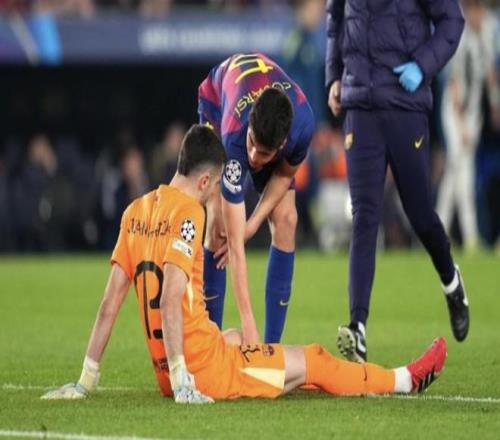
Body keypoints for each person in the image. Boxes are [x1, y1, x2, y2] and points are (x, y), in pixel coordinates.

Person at [41, 124, 447, 404]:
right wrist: (184, 380)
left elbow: (110, 302)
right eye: (216, 186)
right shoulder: (189, 214)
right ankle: (405, 379)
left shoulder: (136, 210)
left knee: (236, 337)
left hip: (170, 367)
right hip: (203, 371)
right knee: (316, 359)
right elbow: (169, 299)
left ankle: (275, 373)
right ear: (204, 181)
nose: (216, 195)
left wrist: (86, 379)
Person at [326, 0, 469, 363]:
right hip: (360, 107)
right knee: (364, 217)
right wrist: (334, 76)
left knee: (420, 215)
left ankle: (451, 282)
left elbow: (452, 20)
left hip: (405, 104)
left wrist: (423, 65)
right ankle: (358, 328)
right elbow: (335, 19)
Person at [198, 53, 315, 345]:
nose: (253, 157)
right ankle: (210, 345)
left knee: (287, 219)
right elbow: (235, 243)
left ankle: (272, 348)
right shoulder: (236, 137)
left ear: (282, 145)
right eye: (253, 144)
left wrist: (252, 226)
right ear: (250, 127)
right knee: (219, 227)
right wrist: (247, 321)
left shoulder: (303, 126)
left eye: (264, 153)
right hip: (217, 100)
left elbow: (284, 175)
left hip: (261, 99)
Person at [437, 0, 499, 251]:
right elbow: (453, 85)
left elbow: (490, 76)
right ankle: (471, 234)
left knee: (454, 174)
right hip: (455, 114)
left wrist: (494, 105)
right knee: (464, 173)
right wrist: (460, 125)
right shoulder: (460, 39)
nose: (479, 18)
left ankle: (438, 229)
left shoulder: (486, 36)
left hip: (473, 115)